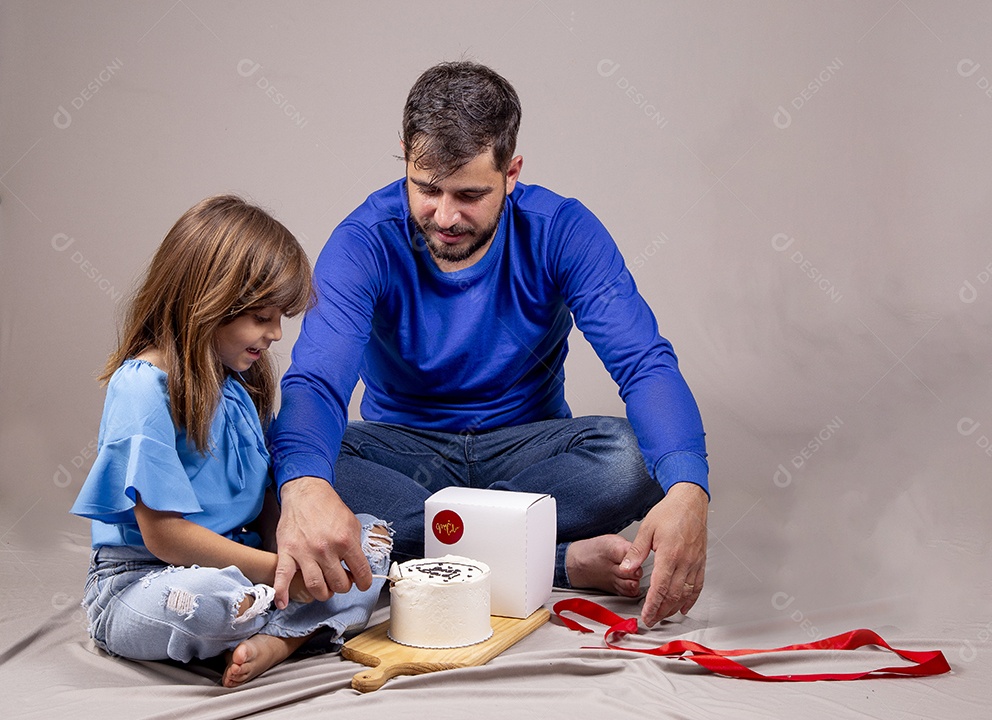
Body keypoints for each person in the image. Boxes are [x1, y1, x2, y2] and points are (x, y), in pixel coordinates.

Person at [270, 61, 709, 628]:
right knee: (288, 465)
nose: (445, 216)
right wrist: (305, 485)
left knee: (633, 459)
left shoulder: (562, 230)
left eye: (470, 194)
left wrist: (691, 490)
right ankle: (551, 561)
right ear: (404, 155)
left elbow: (644, 363)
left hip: (528, 450)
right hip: (404, 453)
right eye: (426, 189)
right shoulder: (364, 242)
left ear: (512, 171)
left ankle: (431, 546)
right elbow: (315, 383)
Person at [70, 195, 392, 688]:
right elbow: (163, 535)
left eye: (280, 318)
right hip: (145, 578)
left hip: (247, 566)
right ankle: (290, 626)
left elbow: (264, 499)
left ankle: (277, 638)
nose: (276, 334)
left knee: (366, 540)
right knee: (211, 600)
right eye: (262, 317)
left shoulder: (239, 386)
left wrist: (291, 555)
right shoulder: (142, 387)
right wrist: (277, 572)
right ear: (210, 301)